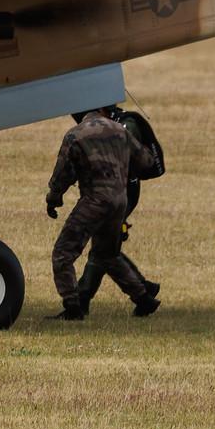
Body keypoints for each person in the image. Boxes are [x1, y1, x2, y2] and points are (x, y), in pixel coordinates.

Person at [45, 109, 159, 320]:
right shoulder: (120, 131)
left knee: (63, 253)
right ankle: (144, 299)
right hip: (119, 202)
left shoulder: (75, 135)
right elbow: (146, 161)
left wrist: (54, 199)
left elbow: (63, 174)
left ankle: (73, 306)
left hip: (94, 201)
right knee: (107, 255)